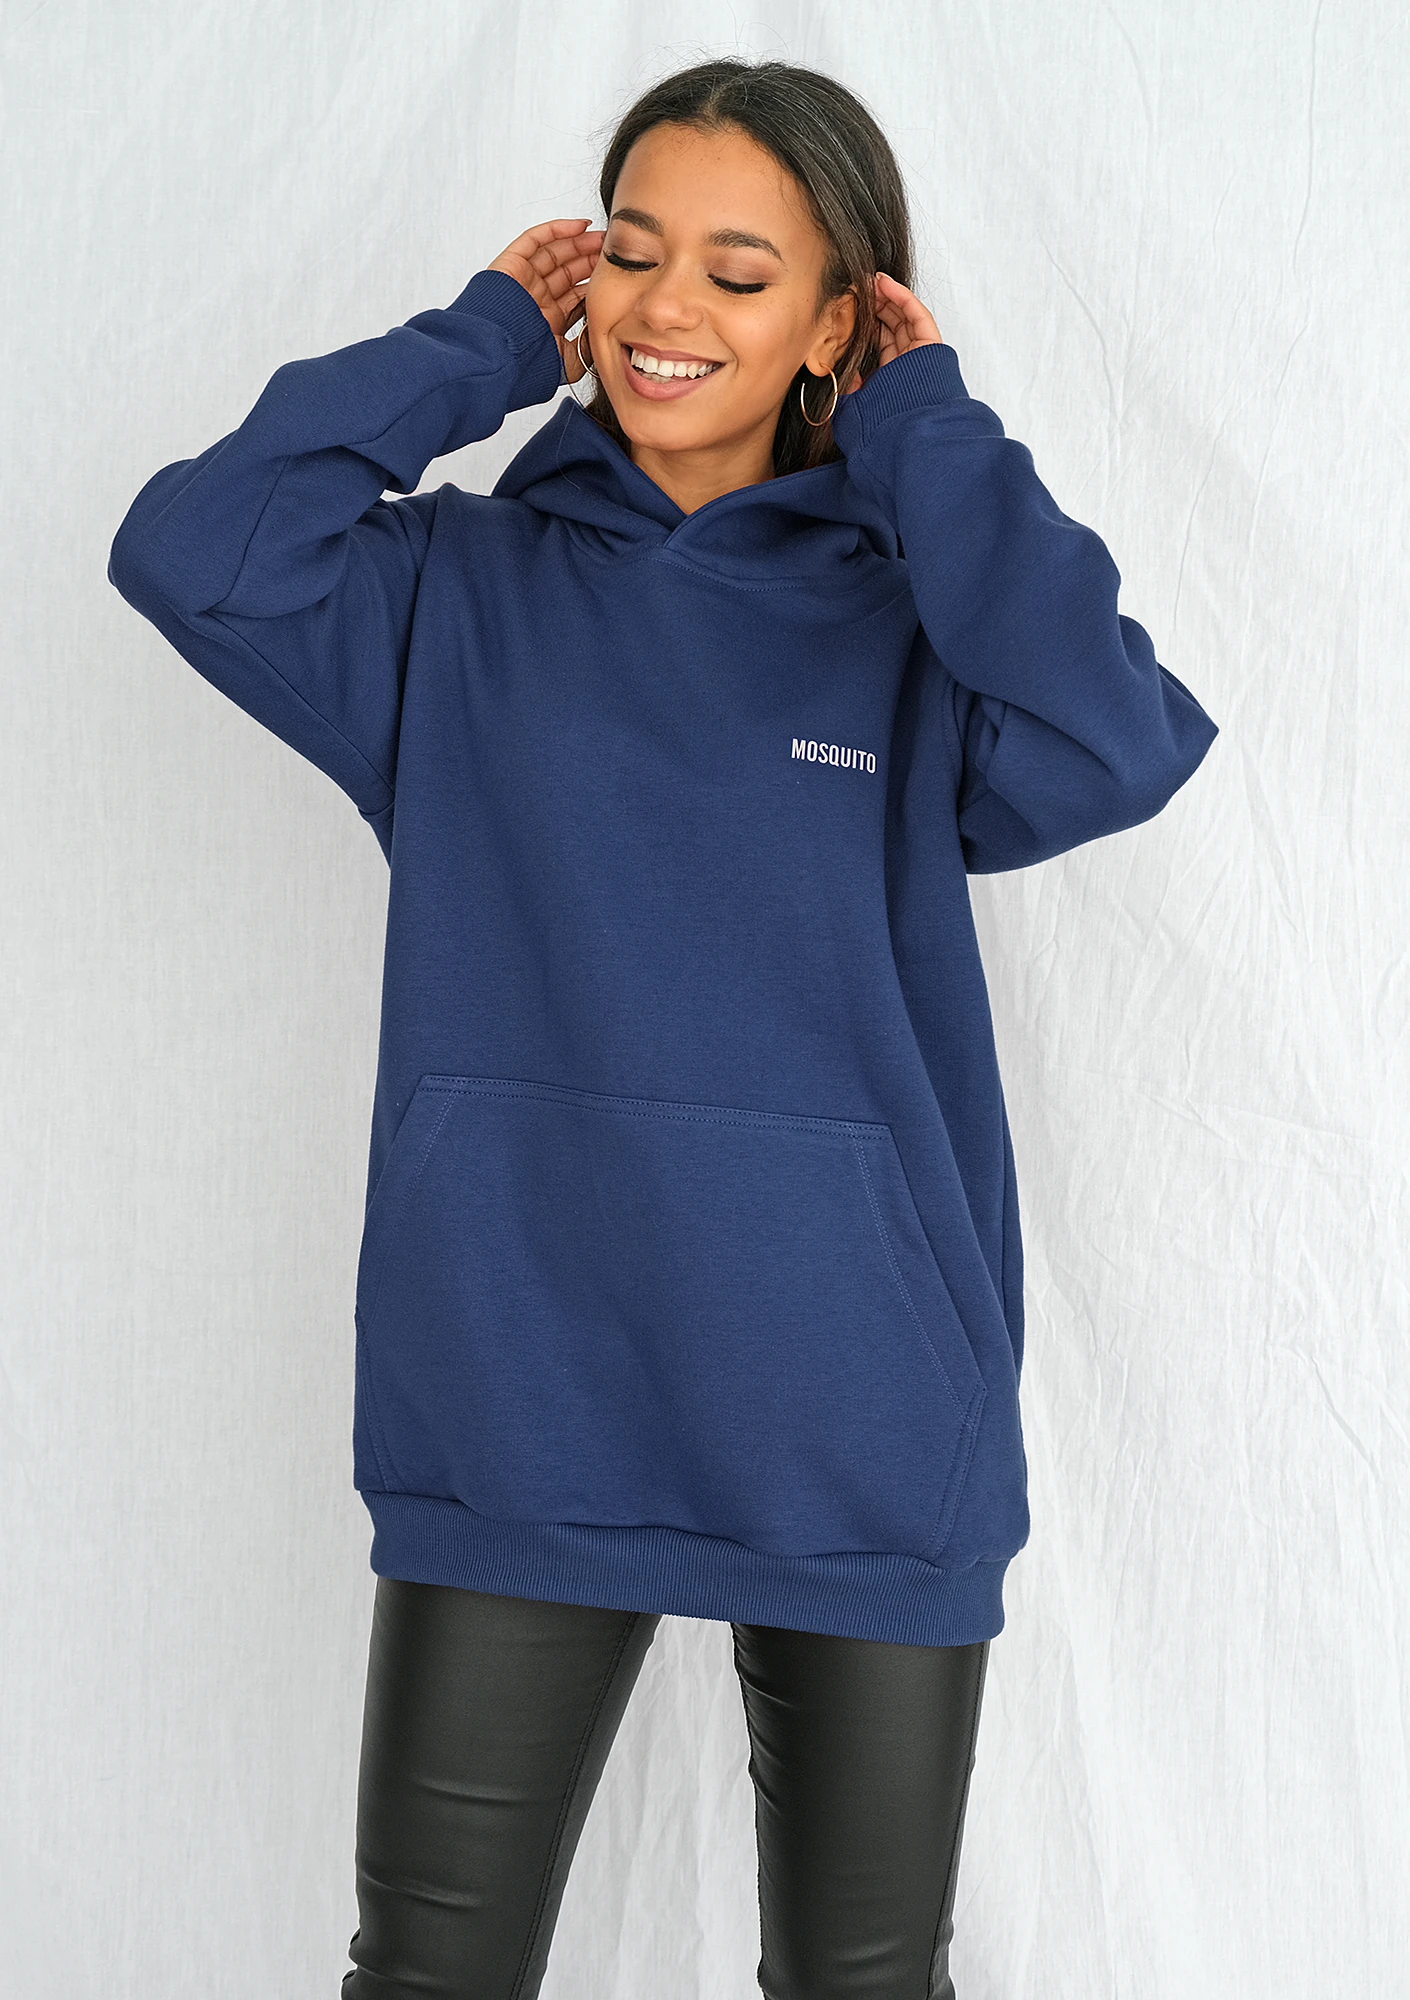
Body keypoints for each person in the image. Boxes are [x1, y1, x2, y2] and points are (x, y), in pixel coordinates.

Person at [107, 54, 1218, 2000]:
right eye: (630, 252)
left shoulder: (917, 625)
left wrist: (928, 432)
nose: (664, 307)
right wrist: (475, 346)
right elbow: (194, 547)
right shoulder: (449, 595)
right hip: (518, 1380)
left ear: (835, 325)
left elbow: (1113, 738)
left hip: (859, 1400)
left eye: (738, 269)